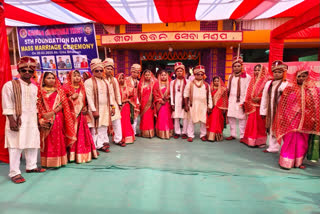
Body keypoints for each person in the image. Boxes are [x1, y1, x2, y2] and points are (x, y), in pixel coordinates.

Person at [2, 56, 46, 184]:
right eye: (24, 70)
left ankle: (31, 166)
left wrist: (38, 120)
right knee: (16, 145)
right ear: (19, 71)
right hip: (16, 119)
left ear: (33, 72)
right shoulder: (10, 85)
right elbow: (6, 104)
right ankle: (14, 172)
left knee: (32, 142)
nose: (27, 73)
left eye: (30, 70)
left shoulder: (34, 87)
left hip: (31, 119)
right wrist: (11, 120)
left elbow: (34, 106)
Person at [273, 69, 320, 169]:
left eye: (304, 76)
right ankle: (286, 162)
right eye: (299, 76)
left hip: (306, 121)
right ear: (295, 77)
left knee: (302, 142)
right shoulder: (290, 89)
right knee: (290, 139)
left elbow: (316, 106)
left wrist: (312, 116)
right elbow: (284, 105)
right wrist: (288, 115)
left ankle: (298, 162)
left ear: (308, 77)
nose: (301, 78)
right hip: (291, 119)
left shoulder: (313, 90)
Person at [37, 71, 76, 168]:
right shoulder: (40, 91)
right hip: (45, 117)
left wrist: (53, 112)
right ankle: (47, 162)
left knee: (58, 138)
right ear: (43, 80)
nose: (51, 80)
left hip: (58, 118)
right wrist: (43, 116)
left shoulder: (60, 91)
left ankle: (59, 161)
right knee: (47, 140)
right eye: (48, 78)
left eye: (53, 78)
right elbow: (38, 104)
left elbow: (64, 104)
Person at [63, 70, 98, 163]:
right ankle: (71, 155)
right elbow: (62, 101)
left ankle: (83, 153)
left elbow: (85, 99)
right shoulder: (66, 88)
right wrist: (71, 98)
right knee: (72, 133)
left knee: (82, 134)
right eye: (74, 76)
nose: (77, 77)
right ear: (70, 77)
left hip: (81, 115)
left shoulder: (83, 87)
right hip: (71, 115)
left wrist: (86, 107)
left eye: (78, 75)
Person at [84, 58, 115, 153]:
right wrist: (93, 110)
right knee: (95, 127)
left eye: (101, 70)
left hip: (105, 107)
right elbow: (89, 97)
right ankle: (95, 146)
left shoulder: (105, 82)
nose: (99, 72)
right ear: (93, 71)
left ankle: (101, 143)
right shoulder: (88, 82)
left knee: (103, 126)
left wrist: (112, 107)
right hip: (95, 108)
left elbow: (110, 95)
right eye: (96, 71)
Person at [260, 60, 289, 153]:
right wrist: (263, 111)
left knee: (283, 129)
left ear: (284, 73)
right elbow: (264, 97)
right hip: (271, 110)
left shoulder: (286, 84)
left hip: (282, 110)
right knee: (272, 128)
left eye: (279, 72)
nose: (277, 74)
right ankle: (273, 147)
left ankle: (286, 148)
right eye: (275, 72)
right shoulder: (269, 83)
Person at [242, 64, 269, 147]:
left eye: (258, 70)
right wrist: (247, 101)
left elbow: (268, 94)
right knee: (251, 124)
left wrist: (259, 98)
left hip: (260, 106)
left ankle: (260, 142)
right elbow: (249, 92)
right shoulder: (252, 80)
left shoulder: (266, 81)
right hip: (252, 105)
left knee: (260, 125)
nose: (257, 72)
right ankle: (250, 140)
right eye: (255, 70)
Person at [184, 65, 213, 142]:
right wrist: (186, 105)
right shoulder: (190, 84)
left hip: (203, 105)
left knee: (203, 120)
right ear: (194, 75)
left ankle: (203, 135)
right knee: (191, 120)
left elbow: (209, 96)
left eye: (201, 74)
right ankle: (190, 135)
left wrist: (210, 106)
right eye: (198, 74)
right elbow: (185, 95)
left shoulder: (206, 85)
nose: (200, 76)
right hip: (193, 104)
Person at [226, 56, 251, 142]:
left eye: (238, 66)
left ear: (241, 67)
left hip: (241, 100)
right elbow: (228, 89)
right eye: (235, 66)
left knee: (241, 118)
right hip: (231, 99)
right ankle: (233, 134)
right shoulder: (231, 76)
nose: (236, 68)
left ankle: (242, 136)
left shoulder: (247, 77)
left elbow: (248, 89)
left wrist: (244, 101)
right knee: (231, 117)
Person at [103, 58, 124, 147]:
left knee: (117, 122)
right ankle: (104, 141)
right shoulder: (101, 79)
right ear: (104, 69)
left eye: (111, 69)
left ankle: (118, 139)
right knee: (104, 123)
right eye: (108, 68)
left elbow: (117, 93)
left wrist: (119, 103)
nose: (110, 70)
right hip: (103, 105)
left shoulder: (114, 80)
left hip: (114, 104)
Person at [170, 62, 189, 139]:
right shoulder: (172, 82)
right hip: (176, 101)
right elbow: (171, 92)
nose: (179, 72)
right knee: (176, 117)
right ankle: (177, 132)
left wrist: (188, 103)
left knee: (185, 117)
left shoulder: (187, 82)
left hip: (185, 102)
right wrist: (172, 103)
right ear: (175, 72)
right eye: (177, 71)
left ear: (183, 71)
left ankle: (184, 132)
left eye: (181, 71)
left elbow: (189, 94)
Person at [206, 76, 228, 142]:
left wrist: (224, 108)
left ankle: (214, 137)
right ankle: (211, 136)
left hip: (219, 107)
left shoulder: (223, 89)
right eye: (215, 81)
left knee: (217, 121)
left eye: (217, 81)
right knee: (211, 120)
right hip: (211, 107)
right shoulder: (210, 88)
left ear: (220, 81)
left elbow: (225, 99)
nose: (216, 82)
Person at [154, 70, 173, 139]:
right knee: (161, 117)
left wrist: (169, 97)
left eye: (165, 75)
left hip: (167, 103)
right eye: (162, 75)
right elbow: (155, 94)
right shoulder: (156, 84)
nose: (163, 76)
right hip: (160, 104)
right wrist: (160, 100)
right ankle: (161, 133)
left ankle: (168, 133)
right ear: (159, 76)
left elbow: (173, 93)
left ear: (167, 76)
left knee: (167, 118)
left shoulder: (170, 83)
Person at [116, 73, 135, 144]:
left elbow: (132, 95)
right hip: (119, 107)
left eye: (123, 78)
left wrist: (127, 100)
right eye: (120, 78)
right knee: (120, 122)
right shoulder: (116, 88)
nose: (121, 80)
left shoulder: (127, 88)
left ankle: (128, 137)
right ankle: (120, 137)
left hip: (126, 106)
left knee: (126, 121)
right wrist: (122, 101)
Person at [138, 69, 157, 138]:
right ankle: (143, 133)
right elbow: (138, 95)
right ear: (143, 76)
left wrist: (153, 102)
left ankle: (150, 133)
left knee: (150, 118)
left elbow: (155, 94)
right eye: (146, 75)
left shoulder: (154, 83)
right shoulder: (140, 84)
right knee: (143, 118)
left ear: (151, 75)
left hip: (150, 103)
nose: (147, 76)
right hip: (142, 103)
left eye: (148, 75)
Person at [125, 64, 141, 135]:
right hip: (128, 101)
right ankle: (129, 132)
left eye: (137, 72)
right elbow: (124, 89)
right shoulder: (126, 79)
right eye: (134, 72)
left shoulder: (138, 82)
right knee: (128, 117)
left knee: (135, 118)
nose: (135, 74)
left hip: (136, 101)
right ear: (131, 72)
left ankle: (134, 132)